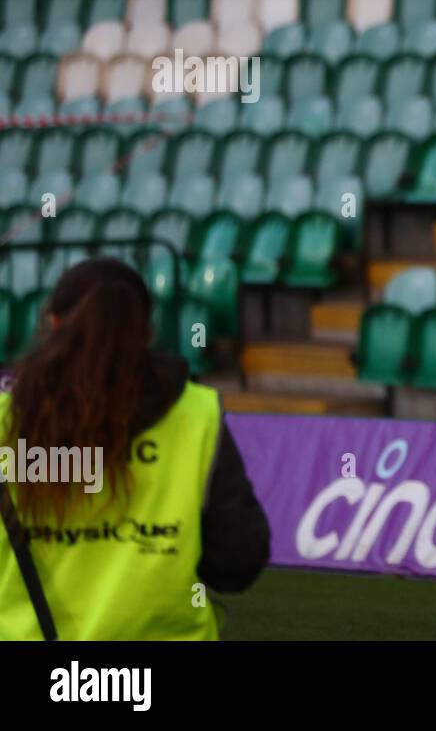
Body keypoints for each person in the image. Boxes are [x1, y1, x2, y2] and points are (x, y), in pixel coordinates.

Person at [0, 257, 269, 640]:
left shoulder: (6, 419)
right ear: (145, 331)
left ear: (53, 324)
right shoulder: (196, 414)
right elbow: (238, 561)